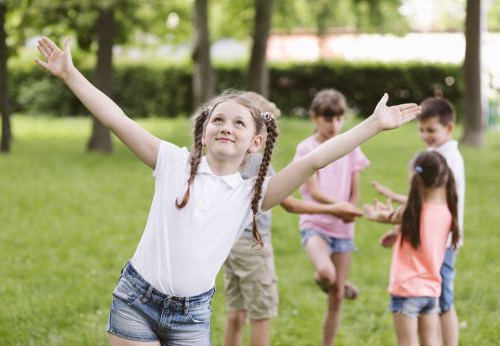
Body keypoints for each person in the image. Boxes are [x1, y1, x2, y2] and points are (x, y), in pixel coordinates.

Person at [35, 37, 421, 346]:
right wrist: (70, 75)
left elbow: (314, 161)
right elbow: (116, 119)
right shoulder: (172, 162)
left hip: (191, 317)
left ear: (255, 143)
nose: (226, 126)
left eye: (239, 123)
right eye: (218, 118)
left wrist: (372, 125)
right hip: (136, 302)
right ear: (204, 131)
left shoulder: (252, 194)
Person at [223, 92, 363, 346]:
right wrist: (334, 209)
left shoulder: (227, 158)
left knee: (236, 314)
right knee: (261, 315)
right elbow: (289, 204)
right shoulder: (255, 162)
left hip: (229, 244)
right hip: (253, 246)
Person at [372, 98, 464, 346]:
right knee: (438, 305)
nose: (425, 135)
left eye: (431, 129)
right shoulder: (435, 157)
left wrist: (386, 214)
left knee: (446, 303)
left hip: (439, 246)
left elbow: (424, 206)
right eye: (421, 129)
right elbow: (426, 205)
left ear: (449, 128)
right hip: (436, 239)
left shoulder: (447, 159)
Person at [293, 89, 370, 346]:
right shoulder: (307, 147)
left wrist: (351, 209)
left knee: (336, 297)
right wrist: (338, 206)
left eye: (339, 119)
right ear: (315, 117)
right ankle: (329, 279)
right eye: (328, 119)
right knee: (327, 273)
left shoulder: (350, 146)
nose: (334, 125)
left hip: (343, 229)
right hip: (316, 224)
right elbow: (313, 190)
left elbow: (355, 187)